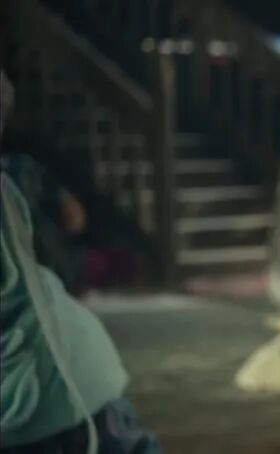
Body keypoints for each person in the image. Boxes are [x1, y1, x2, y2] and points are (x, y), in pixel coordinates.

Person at [0, 71, 159, 453]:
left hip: (53, 385)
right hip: (69, 359)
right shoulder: (14, 173)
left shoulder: (18, 173)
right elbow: (75, 219)